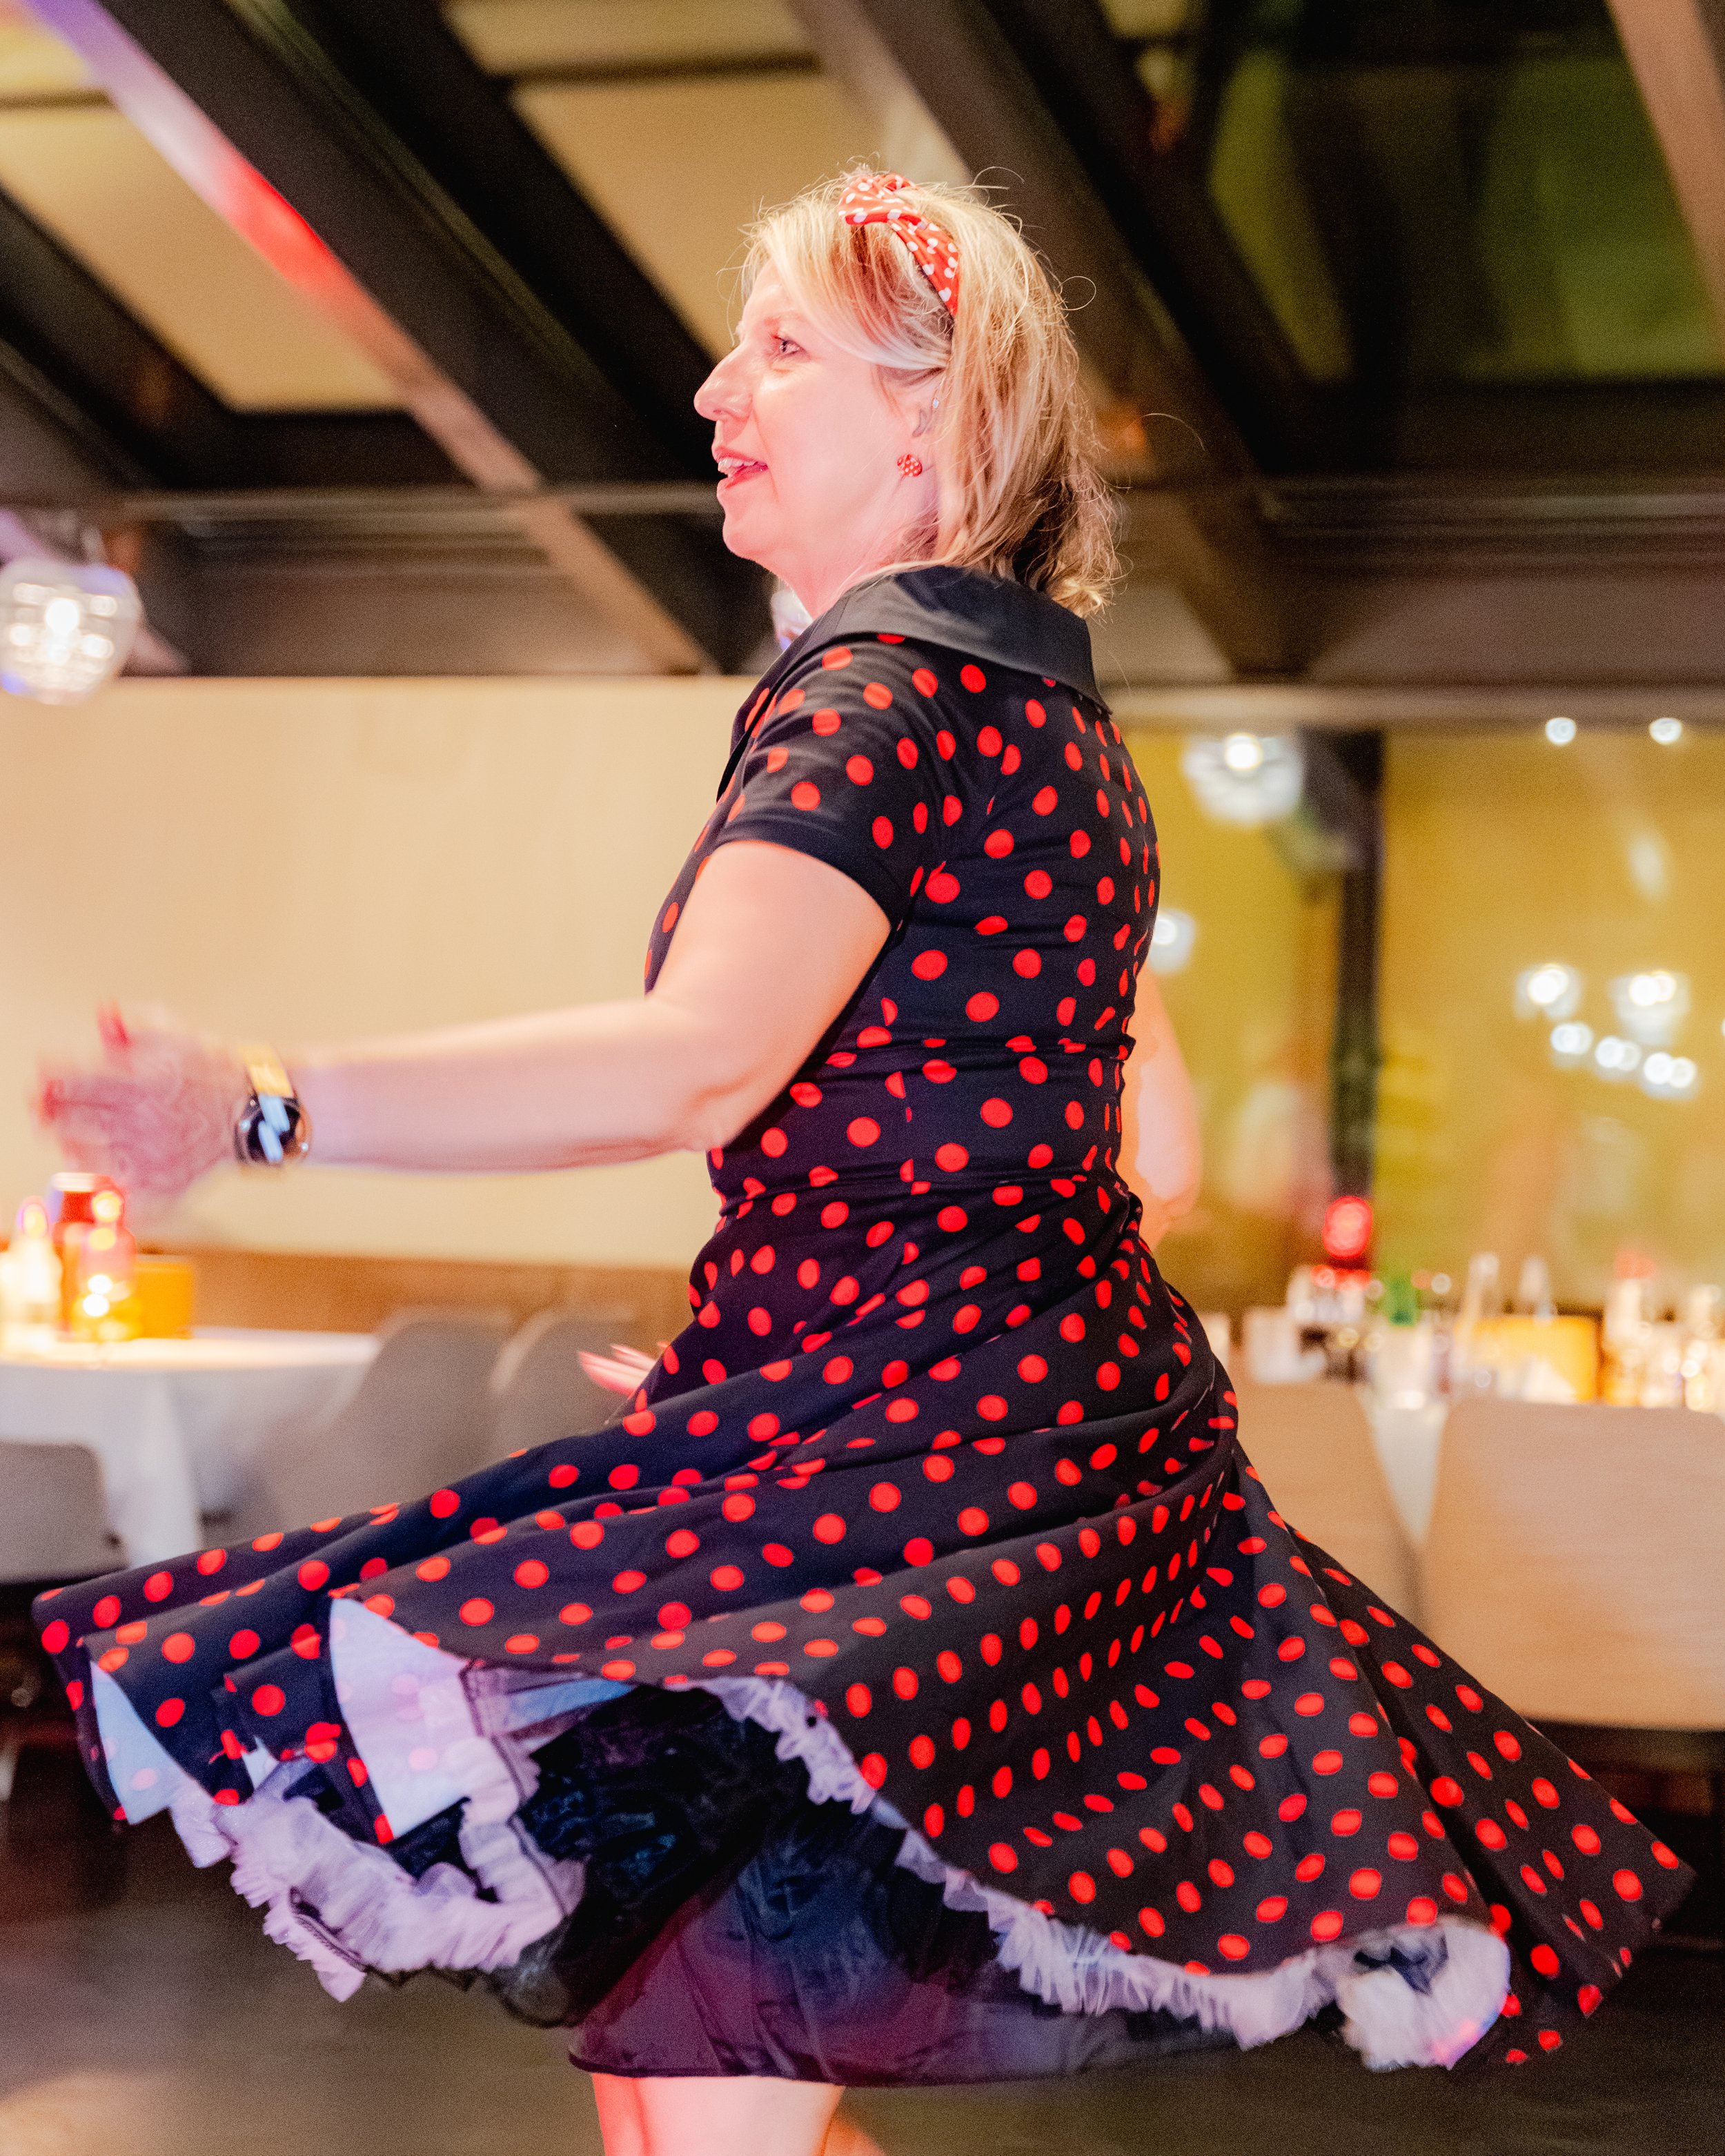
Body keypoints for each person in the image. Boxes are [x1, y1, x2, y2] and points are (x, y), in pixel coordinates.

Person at [32, 171, 1688, 2155]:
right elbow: (1142, 1148)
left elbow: (694, 1062)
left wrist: (258, 1105)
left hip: (923, 1480)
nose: (715, 389)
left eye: (782, 348)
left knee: (697, 2097)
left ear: (934, 425)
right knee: (679, 2084)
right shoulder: (1046, 717)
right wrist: (836, 1363)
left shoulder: (881, 698)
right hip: (971, 1440)